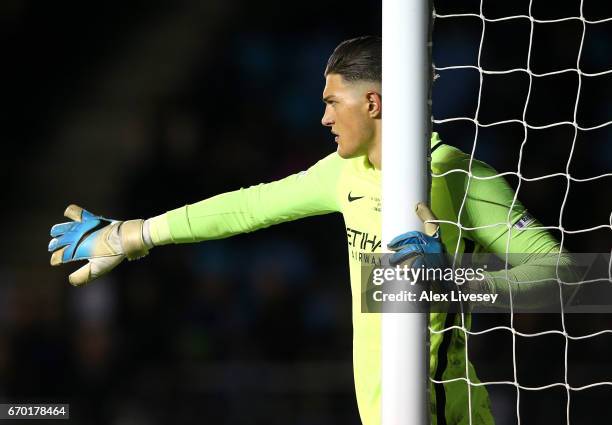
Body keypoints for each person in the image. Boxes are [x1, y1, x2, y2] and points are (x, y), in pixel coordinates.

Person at [48, 36, 572, 425]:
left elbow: (565, 278)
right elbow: (246, 207)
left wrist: (453, 282)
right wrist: (130, 235)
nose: (323, 117)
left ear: (373, 103)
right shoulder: (343, 172)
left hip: (444, 411)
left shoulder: (455, 174)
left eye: (331, 101)